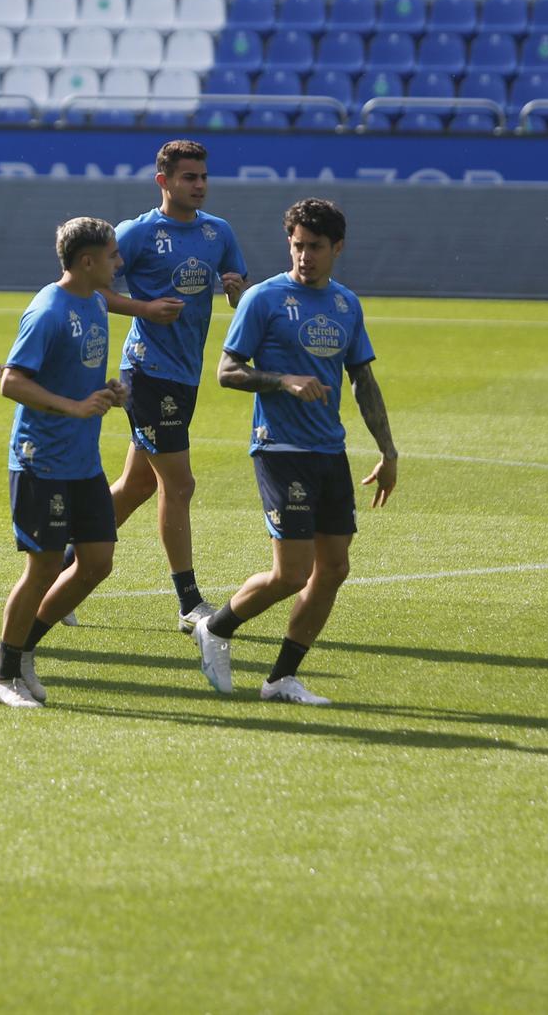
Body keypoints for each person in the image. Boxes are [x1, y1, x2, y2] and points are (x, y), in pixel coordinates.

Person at [192, 198, 398, 706]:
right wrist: (284, 380)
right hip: (281, 448)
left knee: (334, 569)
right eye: (298, 246)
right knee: (291, 573)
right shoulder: (264, 299)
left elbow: (363, 378)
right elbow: (227, 371)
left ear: (338, 248)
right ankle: (216, 628)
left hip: (329, 450)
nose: (305, 256)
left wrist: (388, 451)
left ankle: (281, 678)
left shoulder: (347, 305)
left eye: (316, 247)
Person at [61, 140, 248, 633]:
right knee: (179, 483)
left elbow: (239, 292)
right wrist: (142, 309)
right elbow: (89, 287)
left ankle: (60, 572)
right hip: (147, 371)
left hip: (184, 374)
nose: (200, 185)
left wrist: (236, 290)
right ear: (163, 181)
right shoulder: (138, 233)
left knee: (139, 484)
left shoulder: (218, 232)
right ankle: (189, 602)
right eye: (189, 177)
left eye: (204, 177)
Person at [0, 218, 129, 709]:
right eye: (112, 255)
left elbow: (75, 374)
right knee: (43, 566)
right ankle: (2, 675)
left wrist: (108, 390)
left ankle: (25, 647)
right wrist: (72, 407)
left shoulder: (94, 302)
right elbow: (12, 382)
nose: (119, 263)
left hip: (83, 461)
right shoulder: (48, 310)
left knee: (97, 564)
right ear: (87, 261)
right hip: (40, 460)